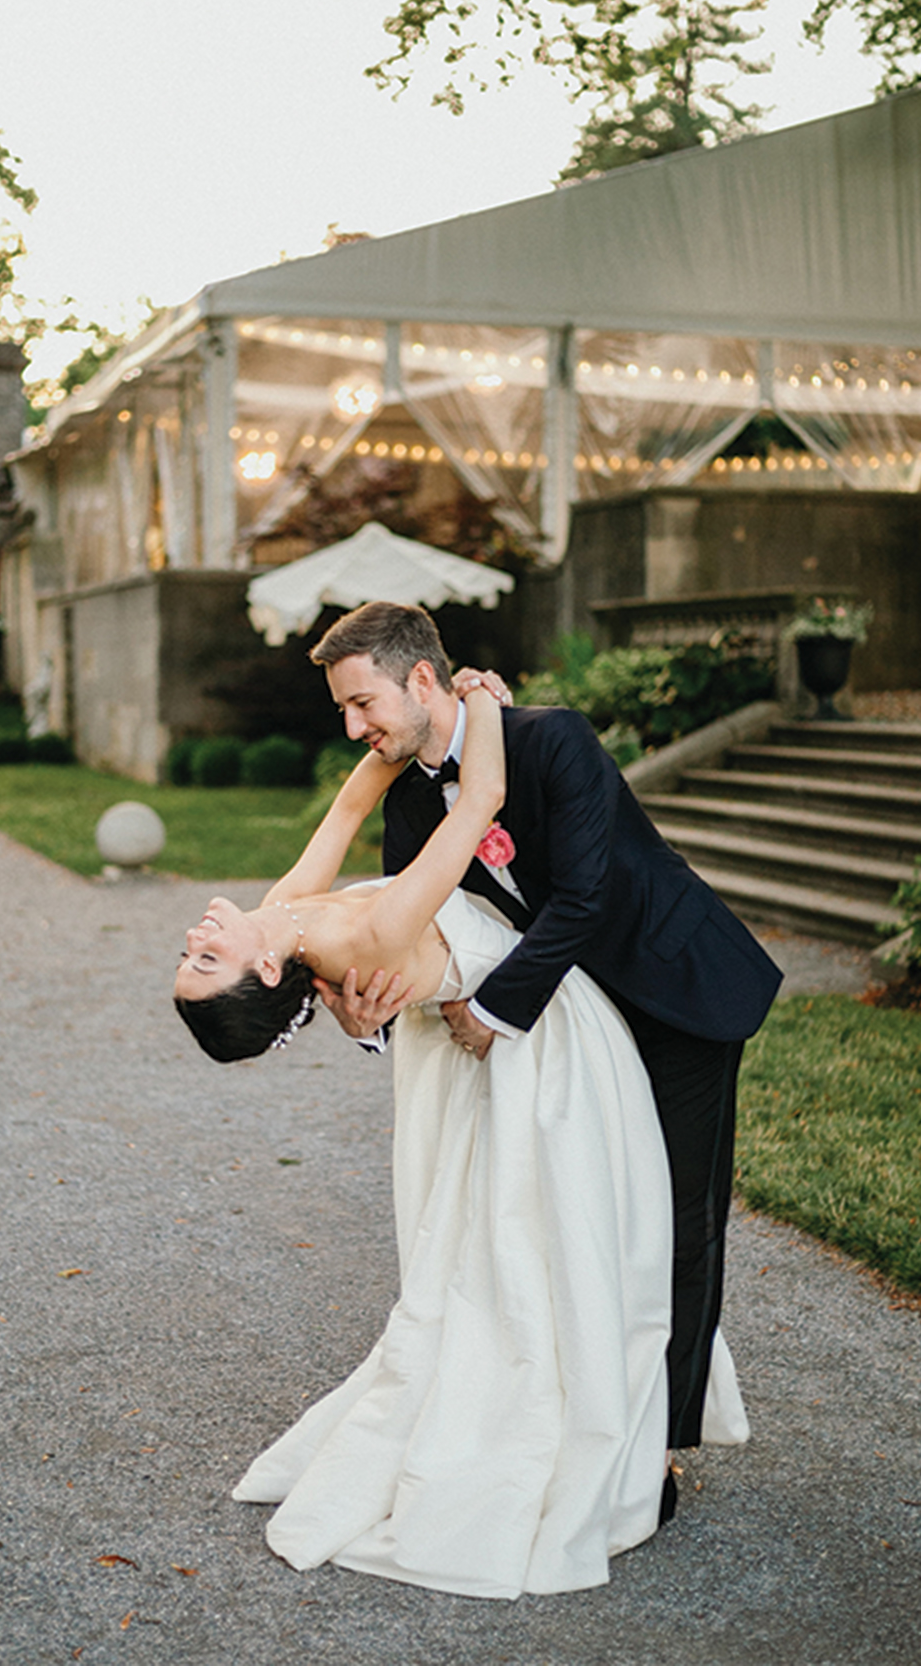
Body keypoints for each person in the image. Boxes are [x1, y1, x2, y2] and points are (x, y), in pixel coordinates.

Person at [174, 685, 732, 1598]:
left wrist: (408, 723)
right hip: (546, 1053)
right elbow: (477, 809)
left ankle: (627, 1409)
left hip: (513, 1031)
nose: (195, 937)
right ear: (267, 973)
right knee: (567, 1252)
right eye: (206, 960)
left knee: (533, 1248)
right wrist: (475, 701)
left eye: (190, 956)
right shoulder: (371, 931)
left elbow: (354, 799)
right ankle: (593, 1428)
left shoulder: (290, 912)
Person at [309, 602, 779, 1468]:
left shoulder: (553, 739)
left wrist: (492, 1012)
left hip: (673, 992)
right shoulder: (413, 802)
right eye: (342, 709)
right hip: (573, 1024)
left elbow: (585, 899)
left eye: (363, 702)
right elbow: (415, 927)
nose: (352, 726)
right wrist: (368, 1013)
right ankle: (586, 1402)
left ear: (422, 679)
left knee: (675, 1223)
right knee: (589, 1218)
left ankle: (656, 1448)